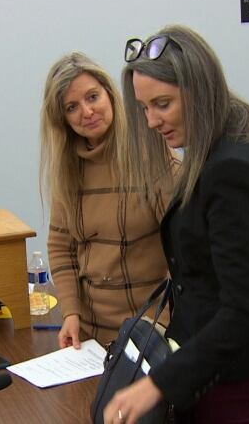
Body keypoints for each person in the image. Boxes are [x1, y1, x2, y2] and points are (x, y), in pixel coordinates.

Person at [104, 26, 249, 423]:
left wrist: (159, 383)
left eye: (163, 104)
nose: (152, 121)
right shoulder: (245, 126)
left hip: (245, 364)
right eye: (144, 108)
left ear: (200, 89)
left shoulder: (230, 169)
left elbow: (244, 311)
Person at [39, 52, 178, 348]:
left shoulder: (149, 154)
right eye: (72, 107)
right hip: (89, 338)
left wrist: (159, 323)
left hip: (150, 330)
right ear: (61, 118)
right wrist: (70, 313)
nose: (87, 112)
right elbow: (61, 247)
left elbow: (184, 249)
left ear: (110, 94)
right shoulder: (67, 169)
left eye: (93, 97)